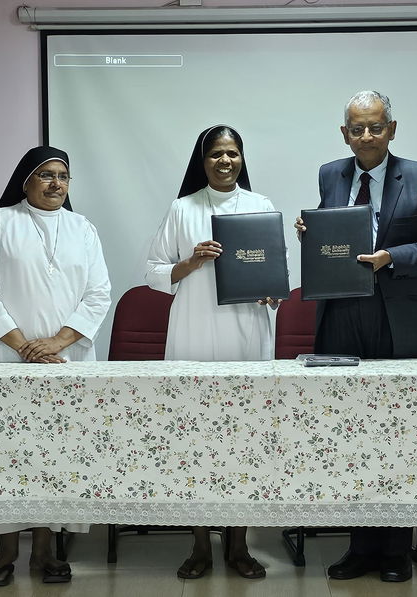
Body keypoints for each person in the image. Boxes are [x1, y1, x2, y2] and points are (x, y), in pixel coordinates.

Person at [294, 90, 417, 583]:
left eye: (375, 127)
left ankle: (396, 550)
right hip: (343, 312)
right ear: (344, 133)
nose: (365, 136)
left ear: (392, 128)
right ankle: (359, 547)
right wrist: (313, 233)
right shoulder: (331, 173)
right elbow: (336, 238)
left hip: (401, 317)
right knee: (348, 433)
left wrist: (394, 257)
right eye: (356, 128)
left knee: (401, 434)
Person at [0, 146, 111, 586]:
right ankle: (7, 546)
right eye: (45, 176)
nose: (56, 184)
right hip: (4, 358)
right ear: (25, 181)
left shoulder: (83, 228)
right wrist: (25, 346)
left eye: (63, 176)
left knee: (57, 451)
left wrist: (58, 342)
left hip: (68, 358)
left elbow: (99, 293)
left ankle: (46, 548)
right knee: (6, 452)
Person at [145, 124, 280, 580]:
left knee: (245, 442)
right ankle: (200, 545)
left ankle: (239, 546)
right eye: (216, 155)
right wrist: (192, 261)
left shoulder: (260, 207)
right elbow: (153, 272)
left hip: (246, 332)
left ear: (242, 158)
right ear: (201, 162)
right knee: (194, 440)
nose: (225, 162)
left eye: (233, 153)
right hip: (194, 330)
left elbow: (273, 275)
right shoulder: (182, 208)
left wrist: (272, 294)